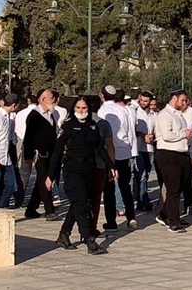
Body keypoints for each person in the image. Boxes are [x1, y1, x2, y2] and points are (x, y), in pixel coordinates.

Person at [48, 96, 114, 255]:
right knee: (81, 205)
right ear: (73, 109)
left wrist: (111, 165)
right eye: (78, 108)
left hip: (89, 168)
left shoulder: (93, 126)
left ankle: (64, 234)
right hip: (73, 169)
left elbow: (100, 148)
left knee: (79, 202)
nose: (81, 111)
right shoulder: (68, 126)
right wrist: (50, 175)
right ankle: (89, 239)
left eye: (84, 108)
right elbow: (57, 151)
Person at [154, 88, 192, 232]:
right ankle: (173, 221)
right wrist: (184, 134)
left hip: (181, 153)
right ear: (174, 98)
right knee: (173, 188)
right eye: (182, 100)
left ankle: (165, 213)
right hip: (168, 154)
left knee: (181, 186)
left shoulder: (179, 115)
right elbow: (167, 135)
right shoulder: (164, 115)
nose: (185, 103)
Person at [97, 85, 138, 231]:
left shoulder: (102, 111)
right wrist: (131, 150)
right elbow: (130, 131)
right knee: (125, 187)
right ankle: (131, 217)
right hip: (124, 152)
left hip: (109, 153)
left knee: (109, 189)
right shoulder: (124, 109)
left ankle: (111, 222)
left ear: (102, 95)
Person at [23, 89, 60, 220]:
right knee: (45, 180)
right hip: (40, 154)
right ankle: (49, 210)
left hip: (51, 154)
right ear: (43, 99)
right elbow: (28, 137)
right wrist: (28, 156)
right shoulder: (34, 116)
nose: (53, 100)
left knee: (41, 180)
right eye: (51, 97)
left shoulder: (51, 114)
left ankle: (31, 209)